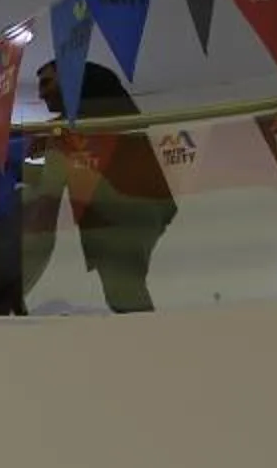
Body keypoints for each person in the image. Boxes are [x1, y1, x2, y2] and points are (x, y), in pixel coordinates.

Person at [36, 60, 177, 313]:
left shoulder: (83, 129)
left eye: (46, 83)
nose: (40, 93)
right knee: (123, 295)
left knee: (123, 295)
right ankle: (150, 343)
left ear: (72, 81)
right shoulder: (83, 127)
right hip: (134, 211)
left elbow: (54, 179)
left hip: (122, 213)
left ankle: (151, 345)